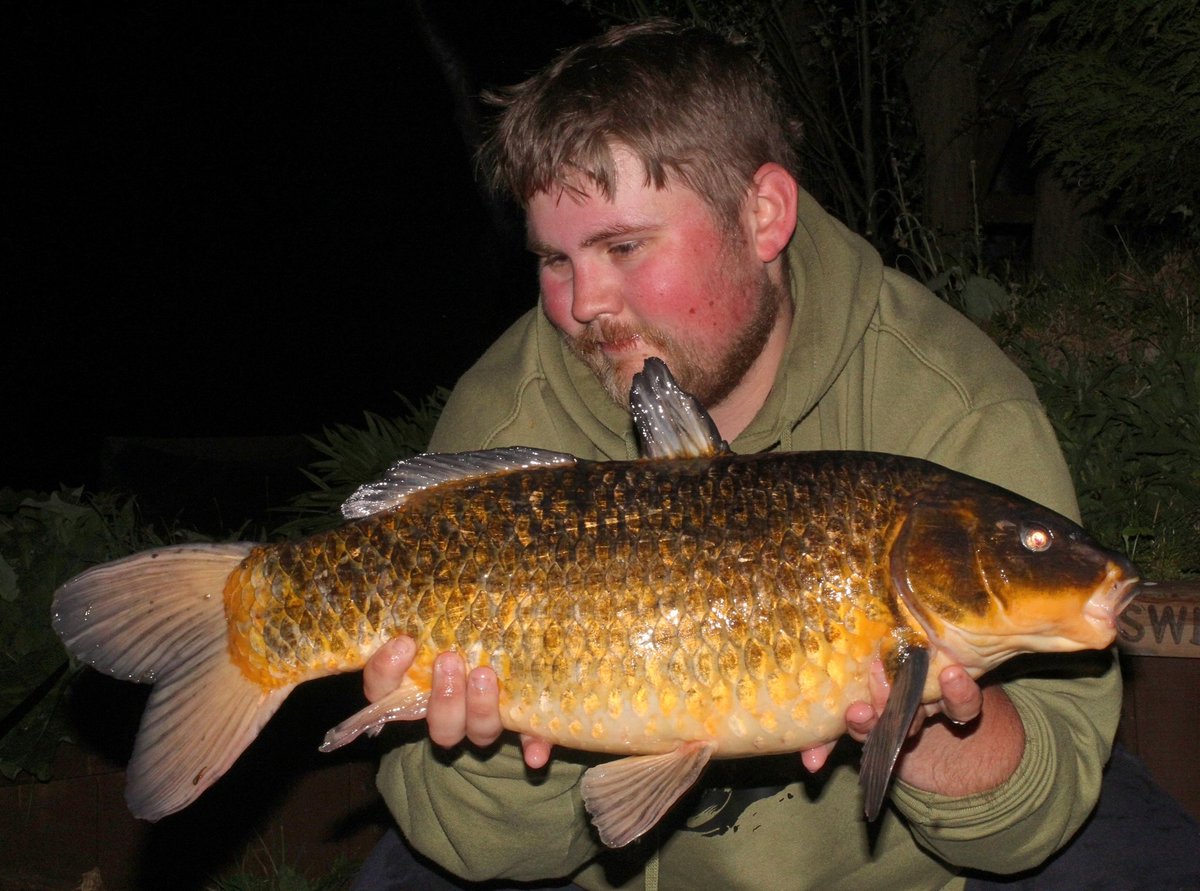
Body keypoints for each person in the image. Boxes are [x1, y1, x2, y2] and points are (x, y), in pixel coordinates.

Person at [351, 19, 1129, 890]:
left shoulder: (953, 406)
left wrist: (937, 733)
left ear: (763, 215)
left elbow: (1039, 819)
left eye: (622, 247)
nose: (582, 305)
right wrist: (505, 734)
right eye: (553, 260)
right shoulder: (502, 417)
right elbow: (477, 850)